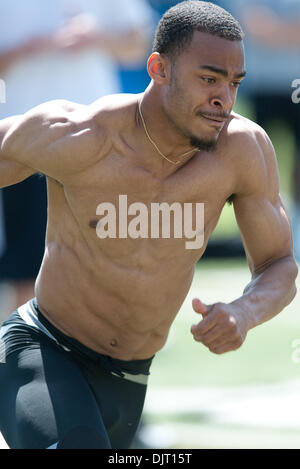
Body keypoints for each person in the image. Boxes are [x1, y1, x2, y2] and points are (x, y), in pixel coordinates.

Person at [0, 0, 297, 450]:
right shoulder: (80, 136)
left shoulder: (243, 150)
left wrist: (243, 311)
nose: (224, 98)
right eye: (209, 79)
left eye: (234, 83)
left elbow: (279, 264)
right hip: (44, 350)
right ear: (159, 68)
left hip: (130, 380)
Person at [0, 0, 154, 316]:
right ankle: (23, 353)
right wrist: (31, 48)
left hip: (100, 139)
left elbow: (140, 45)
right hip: (22, 141)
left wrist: (97, 37)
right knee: (28, 263)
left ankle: (105, 347)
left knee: (107, 255)